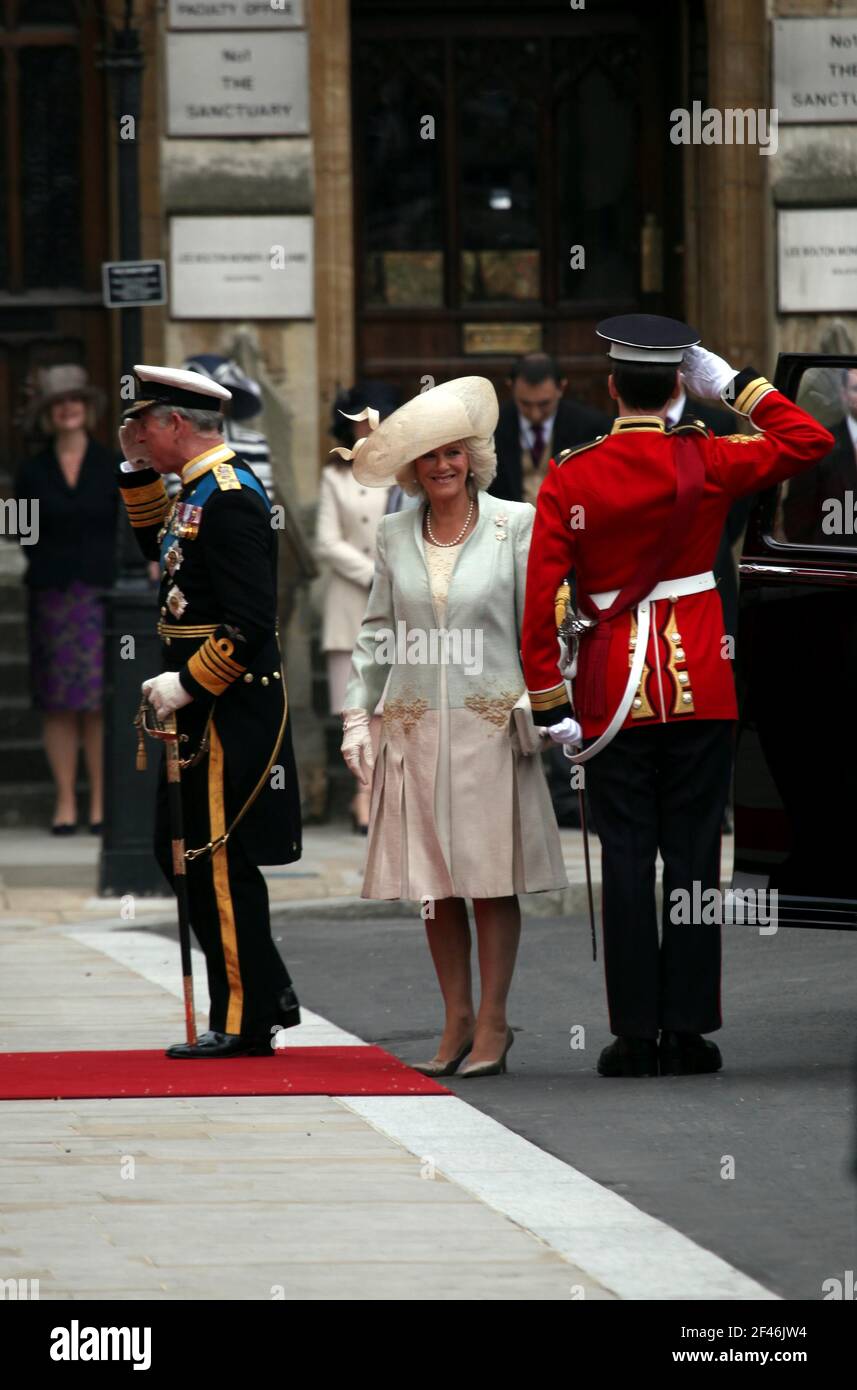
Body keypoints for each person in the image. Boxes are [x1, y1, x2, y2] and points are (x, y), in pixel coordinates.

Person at [521, 315, 834, 1079]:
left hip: (609, 693)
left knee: (625, 860)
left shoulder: (571, 473)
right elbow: (810, 442)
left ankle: (633, 1033)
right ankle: (688, 1030)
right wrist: (734, 388)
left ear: (608, 387)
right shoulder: (709, 454)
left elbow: (537, 601)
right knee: (693, 859)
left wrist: (547, 701)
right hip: (700, 684)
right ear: (676, 387)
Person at [339, 376, 568, 1078]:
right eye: (429, 456)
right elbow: (378, 631)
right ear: (411, 468)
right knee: (433, 885)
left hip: (493, 722)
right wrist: (357, 712)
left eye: (454, 453)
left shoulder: (514, 524)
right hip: (414, 725)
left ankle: (494, 1019)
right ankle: (456, 1017)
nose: (442, 465)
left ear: (472, 457)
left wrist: (544, 693)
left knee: (490, 880)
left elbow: (546, 620)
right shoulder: (391, 532)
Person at [116, 364, 302, 1059]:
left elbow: (252, 620)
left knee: (211, 859)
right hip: (200, 704)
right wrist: (135, 472)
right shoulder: (197, 491)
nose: (134, 433)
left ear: (174, 424)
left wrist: (188, 685)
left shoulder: (230, 497)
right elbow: (169, 564)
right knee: (184, 854)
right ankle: (266, 992)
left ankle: (246, 1017)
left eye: (142, 425)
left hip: (229, 706)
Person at [14, 364, 116, 834]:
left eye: (75, 400)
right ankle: (64, 802)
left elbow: (126, 528)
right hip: (53, 596)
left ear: (88, 408)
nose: (68, 408)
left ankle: (98, 802)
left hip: (100, 594)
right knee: (58, 702)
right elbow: (19, 531)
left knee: (96, 702)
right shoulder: (29, 471)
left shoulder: (112, 463)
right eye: (59, 403)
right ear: (48, 414)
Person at [318, 383, 400, 831]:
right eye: (361, 423)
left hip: (398, 603)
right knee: (358, 708)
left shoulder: (405, 472)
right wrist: (372, 572)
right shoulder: (334, 477)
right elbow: (326, 543)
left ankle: (381, 792)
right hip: (351, 602)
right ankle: (363, 794)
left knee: (389, 707)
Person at [490, 352, 611, 506]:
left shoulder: (591, 426)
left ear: (561, 388)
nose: (535, 413)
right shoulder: (492, 427)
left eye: (544, 404)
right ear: (511, 387)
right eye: (525, 404)